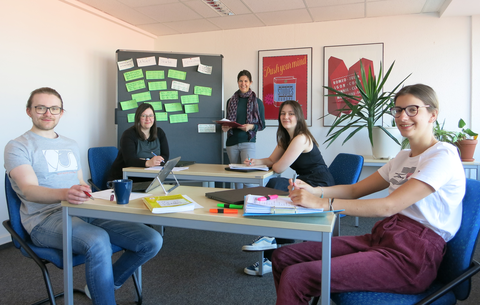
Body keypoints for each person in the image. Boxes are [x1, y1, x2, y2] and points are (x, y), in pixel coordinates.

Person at [272, 84, 466, 305]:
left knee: (297, 276)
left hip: (413, 254)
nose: (403, 116)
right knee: (282, 257)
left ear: (433, 115)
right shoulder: (402, 157)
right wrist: (315, 190)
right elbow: (355, 189)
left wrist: (321, 202)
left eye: (413, 109)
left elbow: (388, 206)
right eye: (398, 110)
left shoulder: (443, 155)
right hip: (384, 236)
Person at [4, 87, 163, 305]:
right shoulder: (17, 146)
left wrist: (98, 196)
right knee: (98, 240)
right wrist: (65, 194)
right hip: (45, 219)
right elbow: (28, 189)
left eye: (54, 108)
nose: (48, 113)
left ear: (61, 112)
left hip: (83, 209)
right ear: (29, 111)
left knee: (151, 240)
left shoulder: (70, 144)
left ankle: (104, 285)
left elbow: (80, 183)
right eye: (40, 107)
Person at [241, 100, 335, 276]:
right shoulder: (286, 138)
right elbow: (271, 160)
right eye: (283, 113)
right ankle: (272, 244)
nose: (286, 117)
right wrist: (255, 161)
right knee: (274, 186)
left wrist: (272, 164)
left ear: (298, 116)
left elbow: (278, 168)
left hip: (319, 183)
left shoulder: (300, 138)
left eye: (291, 113)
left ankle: (270, 246)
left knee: (275, 185)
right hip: (305, 181)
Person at [223, 70, 265, 189]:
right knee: (236, 179)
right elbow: (229, 121)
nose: (243, 83)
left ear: (250, 82)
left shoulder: (257, 102)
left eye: (246, 81)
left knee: (248, 179)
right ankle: (239, 205)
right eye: (241, 81)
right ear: (237, 82)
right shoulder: (230, 101)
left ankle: (249, 203)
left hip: (248, 142)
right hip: (231, 143)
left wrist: (250, 126)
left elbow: (262, 125)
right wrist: (225, 127)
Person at [109, 102, 169, 181]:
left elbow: (165, 155)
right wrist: (148, 163)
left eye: (150, 115)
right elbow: (130, 160)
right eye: (144, 116)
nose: (148, 119)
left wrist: (156, 161)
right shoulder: (128, 134)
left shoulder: (159, 132)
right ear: (138, 118)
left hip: (150, 176)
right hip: (125, 179)